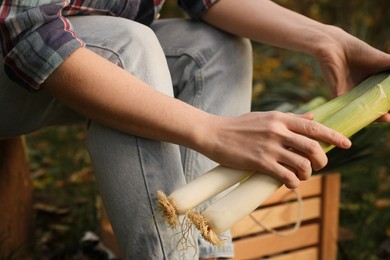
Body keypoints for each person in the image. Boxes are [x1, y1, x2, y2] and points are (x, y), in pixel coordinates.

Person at [1, 0, 389, 259]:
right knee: (128, 44)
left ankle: (208, 252)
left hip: (70, 48)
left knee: (216, 47)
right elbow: (30, 35)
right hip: (21, 58)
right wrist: (211, 131)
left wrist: (326, 38)